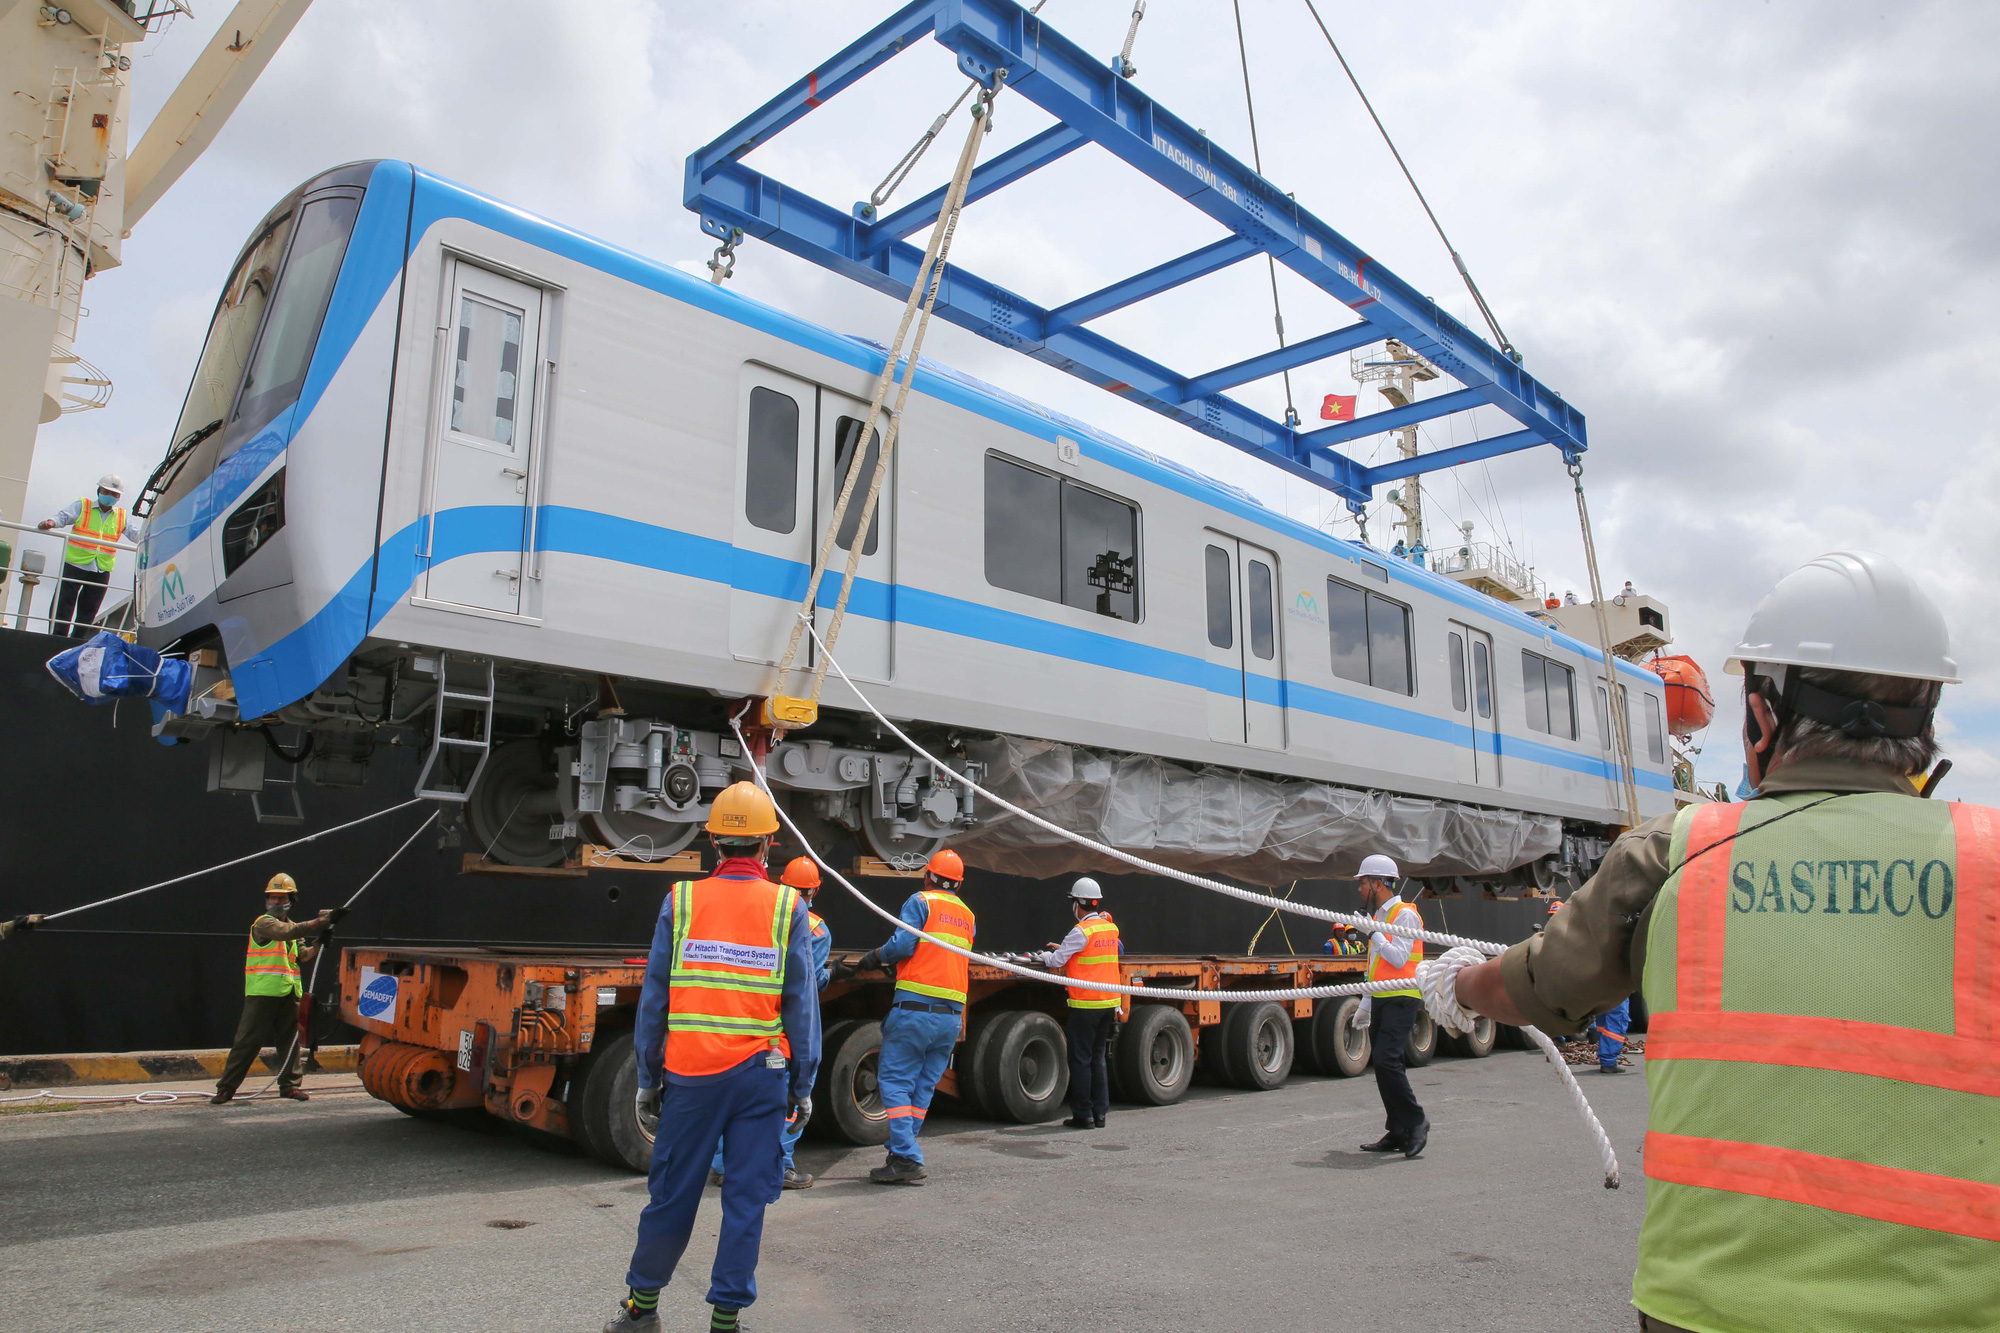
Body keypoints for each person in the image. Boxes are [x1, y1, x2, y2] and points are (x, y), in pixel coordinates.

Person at [1448, 550, 1995, 1333]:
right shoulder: (1989, 861)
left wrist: (1459, 982)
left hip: (1708, 1308)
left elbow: (1541, 985)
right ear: (1930, 717)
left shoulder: (1678, 851)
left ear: (1761, 718)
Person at [607, 783, 820, 1333]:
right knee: (747, 1201)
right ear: (768, 845)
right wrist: (802, 1084)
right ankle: (725, 1323)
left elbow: (655, 999)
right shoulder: (787, 907)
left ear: (713, 842)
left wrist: (647, 1078)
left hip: (691, 1076)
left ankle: (641, 1313)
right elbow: (801, 1005)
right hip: (761, 1077)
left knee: (672, 1196)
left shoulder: (680, 901)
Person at [835, 848, 975, 1185]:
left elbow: (902, 946)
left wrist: (874, 957)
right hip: (950, 1016)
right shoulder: (968, 915)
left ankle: (908, 1156)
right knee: (923, 1088)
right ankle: (901, 1153)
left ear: (929, 876)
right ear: (958, 884)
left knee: (895, 1084)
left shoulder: (921, 901)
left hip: (916, 1009)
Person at [709, 856, 831, 1192]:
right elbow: (807, 983)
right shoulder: (817, 928)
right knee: (788, 1097)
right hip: (784, 1033)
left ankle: (722, 1165)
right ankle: (782, 1164)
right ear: (814, 890)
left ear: (782, 882)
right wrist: (832, 975)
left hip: (748, 1020)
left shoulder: (764, 911)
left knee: (738, 1099)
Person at [211, 874, 333, 1104]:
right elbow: (287, 932)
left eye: (281, 898)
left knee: (289, 1043)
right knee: (247, 1042)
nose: (276, 903)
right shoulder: (263, 923)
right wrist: (321, 922)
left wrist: (320, 942)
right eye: (273, 898)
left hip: (289, 993)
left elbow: (302, 956)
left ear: (291, 900)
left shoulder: (292, 928)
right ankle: (226, 1088)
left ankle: (290, 1086)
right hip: (262, 994)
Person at [1348, 853, 1428, 1159]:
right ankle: (1397, 1131)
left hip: (1403, 996)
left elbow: (1397, 957)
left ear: (1378, 883)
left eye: (1363, 882)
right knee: (1384, 1066)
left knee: (1386, 1061)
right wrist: (1365, 1004)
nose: (1359, 888)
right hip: (1381, 997)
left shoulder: (1405, 915)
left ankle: (1417, 1121)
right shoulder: (1379, 919)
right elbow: (1375, 965)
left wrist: (1374, 933)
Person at [1038, 876, 1122, 1129]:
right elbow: (1106, 952)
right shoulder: (1110, 928)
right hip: (1108, 1003)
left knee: (1081, 1060)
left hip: (1086, 1005)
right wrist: (1064, 948)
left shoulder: (1080, 931)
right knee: (1098, 1059)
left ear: (1078, 904)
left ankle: (1082, 1116)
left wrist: (1046, 955)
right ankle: (1100, 1114)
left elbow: (1056, 961)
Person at [38, 474, 137, 637]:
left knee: (89, 608)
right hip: (76, 563)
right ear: (99, 490)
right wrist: (51, 523)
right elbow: (63, 517)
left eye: (115, 494)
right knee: (64, 602)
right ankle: (58, 636)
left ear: (119, 497)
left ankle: (78, 640)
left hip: (101, 567)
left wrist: (151, 539)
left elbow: (135, 535)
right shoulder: (83, 505)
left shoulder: (121, 516)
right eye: (107, 492)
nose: (111, 496)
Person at [1593, 997, 1630, 1073]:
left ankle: (1606, 1058)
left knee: (1603, 1019)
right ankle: (1608, 1062)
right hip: (1618, 990)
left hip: (1601, 989)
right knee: (1616, 1023)